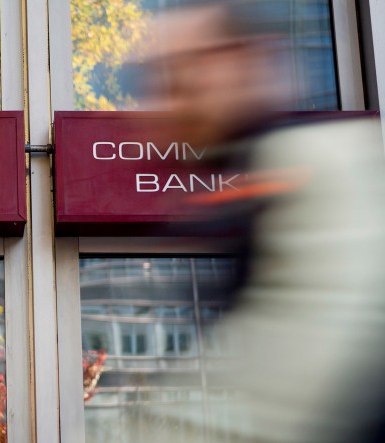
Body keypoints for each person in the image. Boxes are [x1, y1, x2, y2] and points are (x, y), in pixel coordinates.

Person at [146, 2, 385, 442]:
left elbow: (295, 386)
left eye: (181, 79)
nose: (166, 103)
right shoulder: (253, 189)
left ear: (239, 60)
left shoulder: (321, 165)